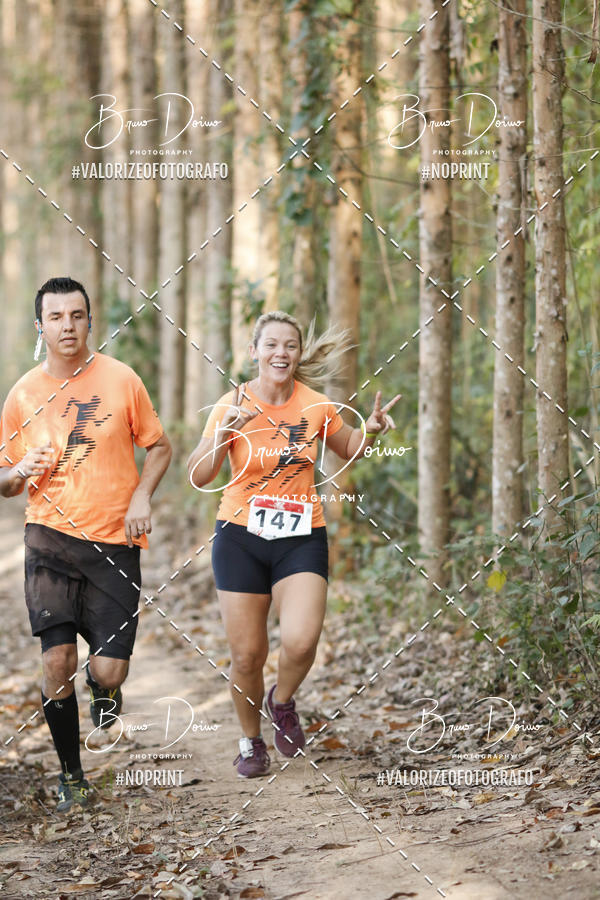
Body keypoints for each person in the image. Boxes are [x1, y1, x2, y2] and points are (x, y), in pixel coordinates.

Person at [187, 311, 400, 777]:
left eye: (290, 345)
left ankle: (281, 701)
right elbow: (199, 476)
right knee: (247, 656)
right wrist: (223, 434)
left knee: (301, 643)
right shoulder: (231, 403)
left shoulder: (316, 405)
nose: (280, 353)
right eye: (271, 345)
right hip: (240, 536)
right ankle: (250, 742)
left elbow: (348, 447)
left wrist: (371, 430)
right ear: (254, 352)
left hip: (301, 536)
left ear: (299, 354)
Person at [0, 277, 172, 812]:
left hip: (115, 543)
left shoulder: (122, 380)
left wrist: (141, 496)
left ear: (89, 322)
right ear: (40, 326)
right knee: (57, 662)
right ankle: (71, 776)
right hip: (48, 539)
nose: (67, 326)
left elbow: (160, 446)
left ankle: (106, 690)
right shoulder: (23, 394)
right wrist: (18, 471)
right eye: (56, 317)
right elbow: (4, 481)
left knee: (108, 669)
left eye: (76, 315)